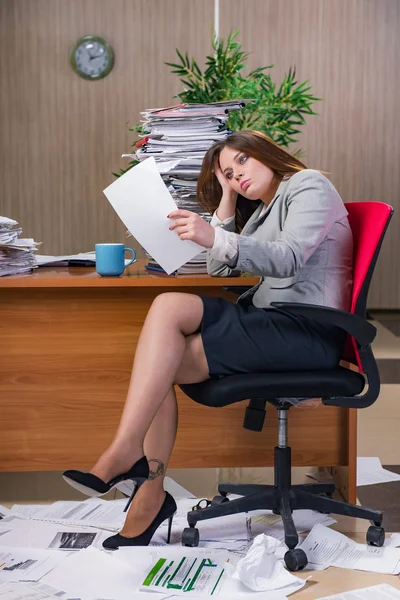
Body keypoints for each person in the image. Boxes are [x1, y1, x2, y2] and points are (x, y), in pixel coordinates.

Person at [63, 130, 353, 548]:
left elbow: (288, 258)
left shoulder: (307, 185)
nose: (238, 178)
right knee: (160, 352)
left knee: (165, 324)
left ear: (265, 154)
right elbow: (220, 273)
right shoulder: (261, 208)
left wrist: (212, 235)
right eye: (229, 175)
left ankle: (133, 465)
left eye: (242, 165)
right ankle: (147, 487)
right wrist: (228, 201)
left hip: (304, 331)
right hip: (271, 325)